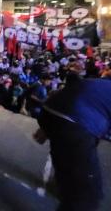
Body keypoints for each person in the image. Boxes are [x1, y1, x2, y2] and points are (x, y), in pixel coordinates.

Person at [34, 71, 111, 211]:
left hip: (52, 110)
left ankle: (64, 185)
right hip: (74, 122)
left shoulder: (99, 83)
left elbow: (68, 92)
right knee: (87, 195)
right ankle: (74, 192)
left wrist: (47, 126)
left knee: (68, 154)